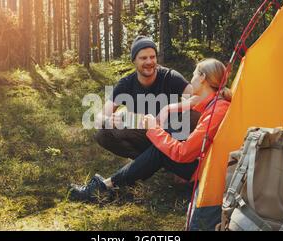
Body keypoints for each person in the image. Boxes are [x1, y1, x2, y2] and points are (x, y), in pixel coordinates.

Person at [70, 58, 232, 203]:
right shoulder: (215, 102)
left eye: (194, 74)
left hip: (205, 172)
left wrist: (154, 129)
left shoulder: (216, 110)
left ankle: (105, 186)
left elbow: (183, 153)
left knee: (160, 150)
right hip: (204, 164)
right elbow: (195, 103)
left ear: (203, 78)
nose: (192, 78)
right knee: (163, 142)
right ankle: (113, 183)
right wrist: (166, 110)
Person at [94, 35, 200, 160]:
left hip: (173, 134)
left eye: (152, 57)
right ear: (134, 61)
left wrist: (169, 108)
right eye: (143, 58)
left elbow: (199, 98)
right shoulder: (126, 83)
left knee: (196, 113)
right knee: (102, 134)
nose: (149, 62)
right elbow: (99, 117)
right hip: (144, 135)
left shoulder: (169, 76)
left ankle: (179, 159)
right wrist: (109, 121)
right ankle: (145, 161)